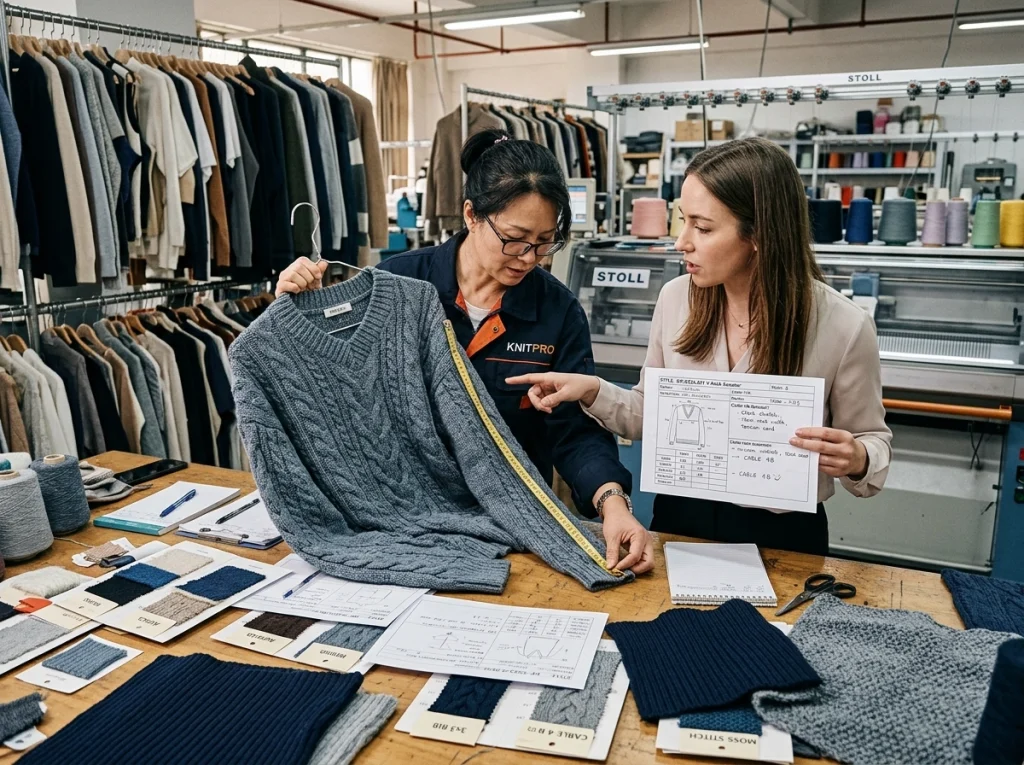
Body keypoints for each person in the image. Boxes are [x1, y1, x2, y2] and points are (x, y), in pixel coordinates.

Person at [275, 129, 654, 574]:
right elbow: (343, 399)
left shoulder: (557, 312)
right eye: (514, 238)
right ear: (472, 215)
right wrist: (306, 316)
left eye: (545, 241)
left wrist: (612, 502)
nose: (529, 257)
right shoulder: (398, 288)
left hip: (511, 526)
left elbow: (574, 431)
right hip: (403, 523)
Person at [508, 137, 892, 555]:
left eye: (703, 227)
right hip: (680, 521)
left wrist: (857, 457)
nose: (681, 241)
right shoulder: (676, 299)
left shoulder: (843, 325)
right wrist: (592, 390)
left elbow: (872, 440)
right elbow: (648, 414)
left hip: (784, 539)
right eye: (682, 220)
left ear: (760, 233)